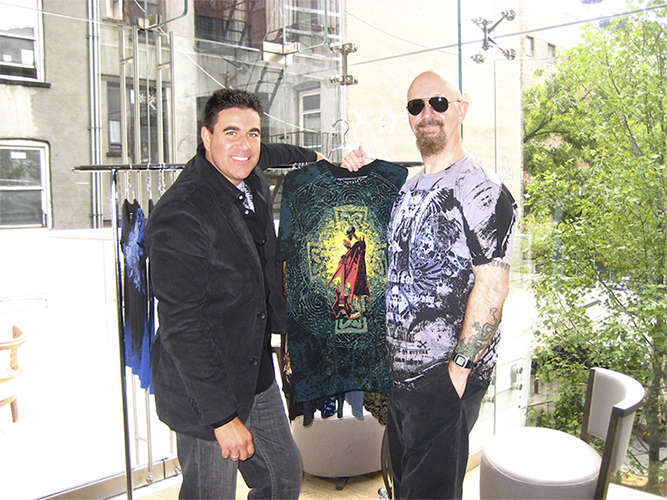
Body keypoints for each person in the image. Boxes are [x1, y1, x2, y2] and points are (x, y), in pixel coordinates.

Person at [342, 69, 518, 500]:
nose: (427, 113)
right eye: (416, 106)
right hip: (401, 377)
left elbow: (493, 288)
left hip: (444, 379)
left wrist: (457, 372)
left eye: (439, 102)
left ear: (461, 110)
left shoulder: (482, 188)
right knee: (406, 488)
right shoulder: (410, 187)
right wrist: (357, 173)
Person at [145, 88, 322, 500]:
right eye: (231, 133)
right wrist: (223, 419)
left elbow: (272, 153)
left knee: (282, 478)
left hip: (254, 370)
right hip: (206, 389)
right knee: (211, 494)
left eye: (253, 133)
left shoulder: (246, 171)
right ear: (206, 137)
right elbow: (182, 327)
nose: (245, 145)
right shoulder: (181, 213)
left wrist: (319, 159)